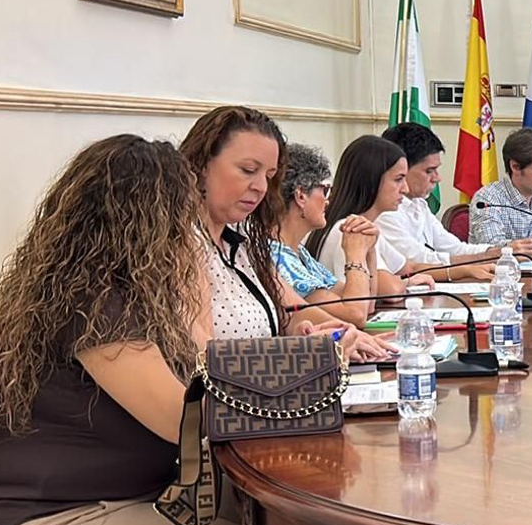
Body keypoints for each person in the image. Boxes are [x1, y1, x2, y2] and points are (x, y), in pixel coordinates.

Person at [0, 134, 409, 525]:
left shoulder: (117, 289)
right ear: (146, 218)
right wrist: (308, 378)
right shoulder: (97, 306)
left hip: (112, 502)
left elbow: (204, 371)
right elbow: (178, 414)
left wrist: (305, 364)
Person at [180, 106, 390, 361]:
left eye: (269, 177)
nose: (260, 187)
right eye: (248, 170)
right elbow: (204, 356)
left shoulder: (243, 244)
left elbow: (292, 311)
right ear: (202, 166)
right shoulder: (184, 245)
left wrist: (336, 334)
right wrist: (296, 353)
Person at [378, 122, 532, 277]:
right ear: (402, 168)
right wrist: (492, 255)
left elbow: (455, 248)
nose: (437, 178)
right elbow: (420, 262)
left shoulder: (419, 204)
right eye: (429, 171)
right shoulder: (384, 212)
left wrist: (503, 251)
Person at [307, 136, 439, 298]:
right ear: (371, 180)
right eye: (398, 179)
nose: (405, 189)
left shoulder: (366, 223)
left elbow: (408, 268)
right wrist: (407, 283)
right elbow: (388, 288)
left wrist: (466, 269)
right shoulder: (351, 227)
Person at [271, 144, 380, 327]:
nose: (328, 200)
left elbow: (367, 305)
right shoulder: (277, 256)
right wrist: (355, 254)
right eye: (325, 190)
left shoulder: (298, 252)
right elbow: (355, 315)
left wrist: (370, 251)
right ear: (301, 196)